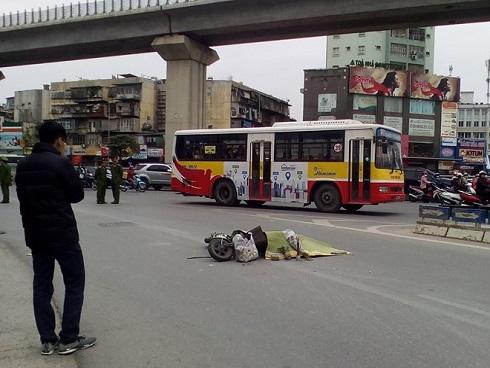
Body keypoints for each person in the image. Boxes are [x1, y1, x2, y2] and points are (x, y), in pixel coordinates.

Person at [15, 122, 96, 355]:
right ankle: (69, 338)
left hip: (36, 236)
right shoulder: (61, 163)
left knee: (41, 285)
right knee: (74, 283)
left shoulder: (23, 165)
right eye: (64, 141)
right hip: (63, 235)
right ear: (59, 140)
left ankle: (47, 340)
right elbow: (77, 195)